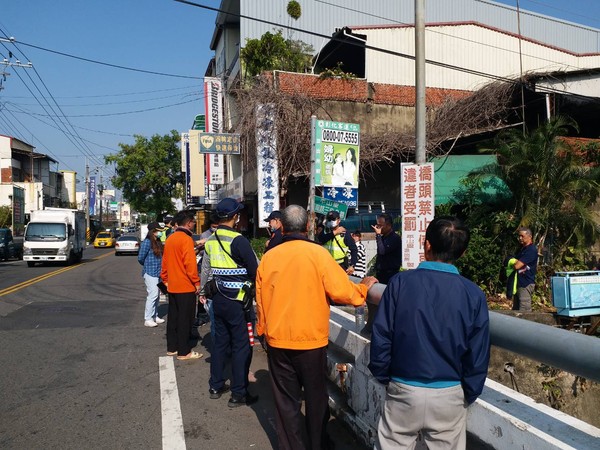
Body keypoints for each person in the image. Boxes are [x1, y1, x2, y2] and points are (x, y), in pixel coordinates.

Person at [256, 205, 377, 450]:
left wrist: (263, 332)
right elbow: (343, 291)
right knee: (315, 398)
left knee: (286, 404)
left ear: (283, 225)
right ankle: (317, 443)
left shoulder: (270, 257)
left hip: (278, 341)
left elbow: (261, 301)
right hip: (311, 341)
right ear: (308, 225)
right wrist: (364, 288)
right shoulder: (318, 254)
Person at [369, 216, 490, 450]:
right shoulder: (473, 294)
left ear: (426, 245)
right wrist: (468, 392)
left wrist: (384, 375)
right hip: (450, 392)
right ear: (463, 253)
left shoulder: (399, 283)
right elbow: (478, 352)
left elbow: (382, 334)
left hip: (403, 387)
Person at [200, 197, 259, 407]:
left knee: (220, 344)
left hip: (218, 299)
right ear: (235, 216)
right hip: (238, 302)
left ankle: (215, 385)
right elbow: (255, 271)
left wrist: (201, 291)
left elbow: (206, 269)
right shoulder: (238, 240)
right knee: (242, 346)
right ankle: (238, 393)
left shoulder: (211, 240)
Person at [161, 210, 203, 361]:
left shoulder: (171, 239)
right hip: (185, 286)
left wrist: (165, 278)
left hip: (172, 285)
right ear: (188, 223)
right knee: (186, 319)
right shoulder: (186, 239)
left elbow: (164, 263)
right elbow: (190, 265)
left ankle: (172, 348)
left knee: (173, 317)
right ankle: (184, 351)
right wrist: (197, 283)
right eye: (193, 221)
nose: (194, 224)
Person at [363, 213, 402, 335]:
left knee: (388, 304)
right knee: (373, 300)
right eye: (376, 225)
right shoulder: (383, 237)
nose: (377, 228)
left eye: (380, 225)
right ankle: (372, 326)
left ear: (389, 225)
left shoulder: (394, 238)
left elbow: (382, 250)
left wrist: (378, 236)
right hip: (381, 273)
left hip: (391, 274)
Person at [138, 221, 166, 327]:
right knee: (153, 295)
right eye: (158, 231)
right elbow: (140, 258)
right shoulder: (146, 242)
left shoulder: (158, 242)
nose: (160, 233)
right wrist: (147, 265)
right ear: (153, 232)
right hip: (150, 273)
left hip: (158, 272)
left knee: (157, 295)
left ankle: (155, 316)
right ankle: (148, 318)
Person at [318, 210, 357, 275]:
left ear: (339, 220)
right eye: (329, 219)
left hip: (340, 266)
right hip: (325, 265)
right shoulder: (325, 231)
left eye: (333, 219)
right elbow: (322, 239)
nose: (331, 221)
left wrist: (352, 266)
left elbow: (354, 249)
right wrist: (335, 233)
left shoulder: (344, 234)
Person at [510, 227, 538, 312]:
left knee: (524, 312)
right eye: (519, 236)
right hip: (519, 284)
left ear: (530, 236)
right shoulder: (522, 249)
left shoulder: (531, 250)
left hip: (526, 284)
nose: (520, 238)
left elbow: (517, 266)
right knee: (516, 310)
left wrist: (512, 262)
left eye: (522, 236)